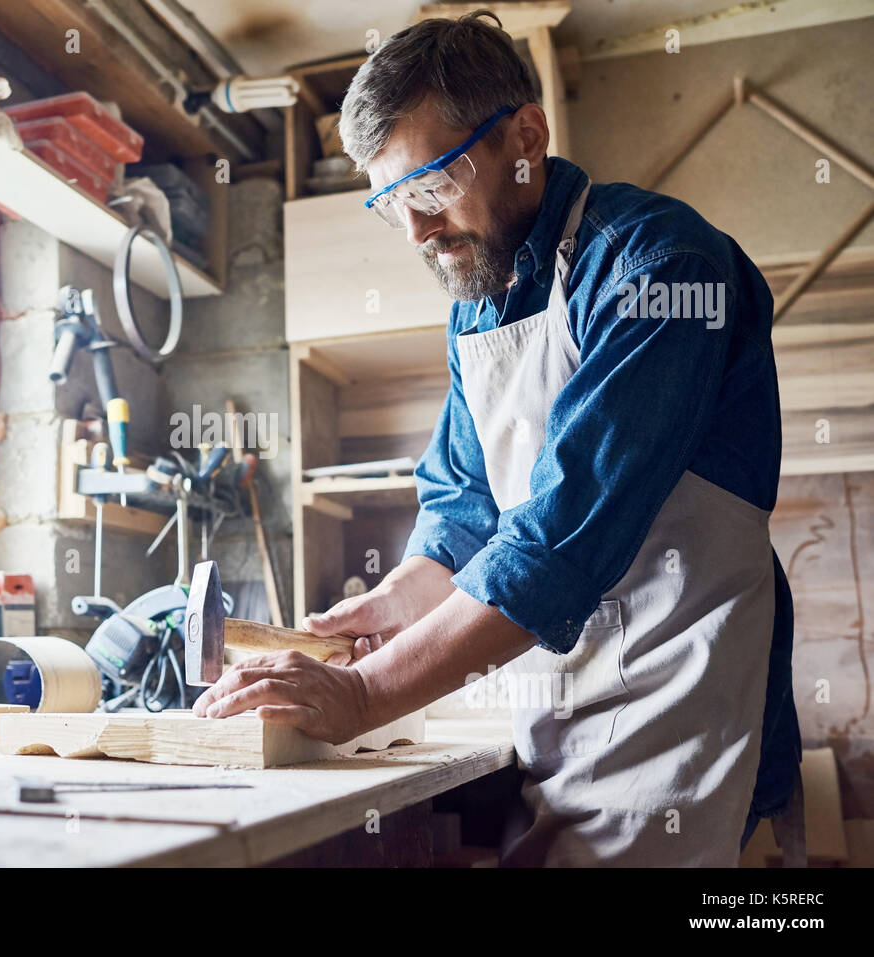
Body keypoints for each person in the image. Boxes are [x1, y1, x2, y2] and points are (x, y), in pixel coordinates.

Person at [192, 10, 801, 866]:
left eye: (432, 184)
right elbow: (464, 521)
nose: (415, 230)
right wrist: (384, 610)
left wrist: (363, 693)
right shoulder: (478, 307)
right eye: (392, 201)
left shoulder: (658, 269)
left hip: (687, 720)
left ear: (527, 134)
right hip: (563, 725)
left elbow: (561, 539)